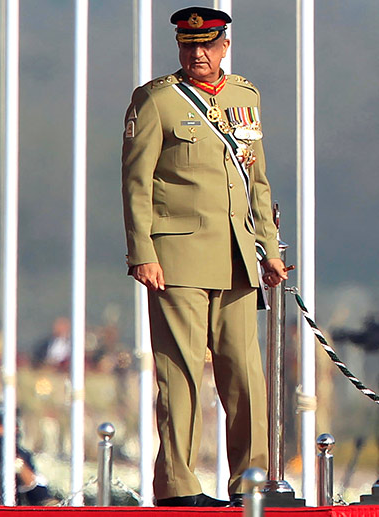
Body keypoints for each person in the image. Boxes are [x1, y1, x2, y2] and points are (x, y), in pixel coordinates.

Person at [121, 7, 288, 507]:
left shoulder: (244, 97)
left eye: (206, 45)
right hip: (177, 258)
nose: (197, 54)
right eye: (188, 45)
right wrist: (142, 252)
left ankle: (250, 482)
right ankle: (177, 486)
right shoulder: (156, 101)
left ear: (224, 46)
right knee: (182, 373)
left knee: (244, 375)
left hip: (236, 257)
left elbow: (256, 181)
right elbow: (135, 183)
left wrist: (270, 250)